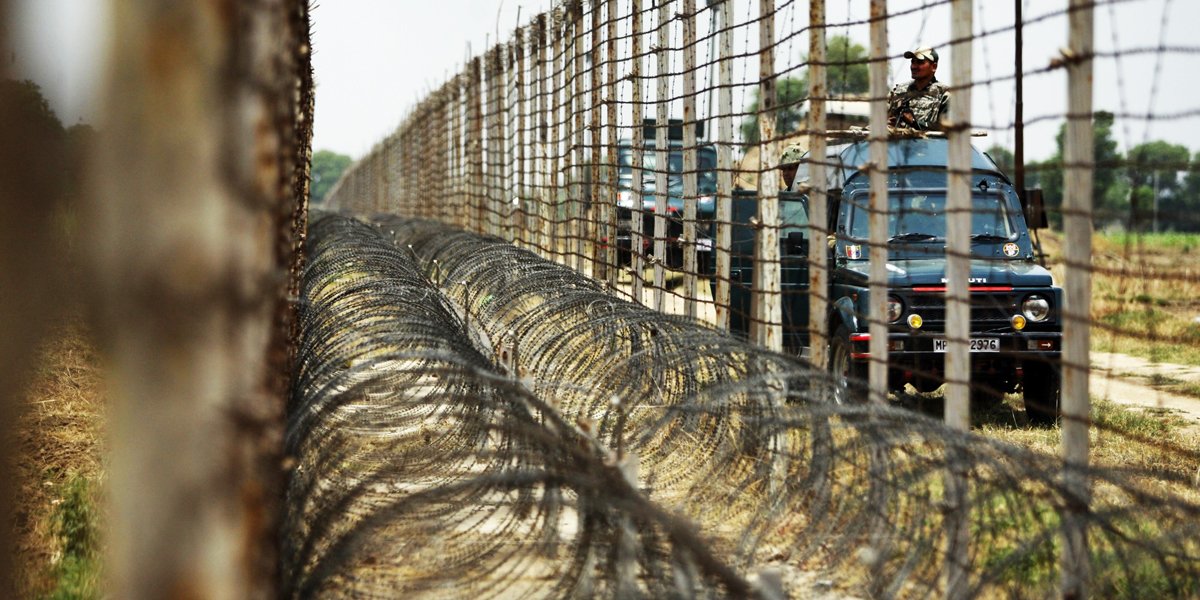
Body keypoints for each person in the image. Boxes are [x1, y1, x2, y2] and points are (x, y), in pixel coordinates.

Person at [888, 47, 950, 132]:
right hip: (898, 144)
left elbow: (947, 128)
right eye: (912, 62)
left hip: (930, 144)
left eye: (920, 62)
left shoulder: (944, 94)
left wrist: (914, 122)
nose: (914, 66)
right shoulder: (899, 91)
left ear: (934, 67)